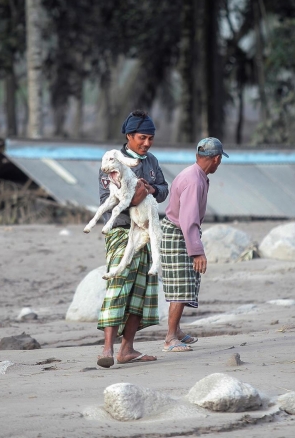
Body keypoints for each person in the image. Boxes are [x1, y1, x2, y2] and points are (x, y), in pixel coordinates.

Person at [96, 110, 169, 367]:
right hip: (120, 231)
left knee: (142, 290)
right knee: (118, 283)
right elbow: (107, 201)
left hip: (146, 233)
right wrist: (134, 199)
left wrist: (151, 189)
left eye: (150, 138)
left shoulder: (151, 162)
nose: (147, 143)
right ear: (129, 136)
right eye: (142, 138)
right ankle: (107, 349)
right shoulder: (112, 162)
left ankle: (126, 349)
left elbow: (163, 189)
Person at [160, 137, 228, 352]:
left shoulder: (194, 173)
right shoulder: (195, 180)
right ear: (216, 159)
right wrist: (197, 252)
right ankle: (170, 337)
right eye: (219, 160)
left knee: (186, 282)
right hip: (178, 232)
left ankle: (176, 330)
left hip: (180, 230)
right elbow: (188, 219)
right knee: (180, 286)